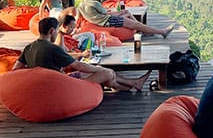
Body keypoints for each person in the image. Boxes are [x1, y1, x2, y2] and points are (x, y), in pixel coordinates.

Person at [13, 17, 150, 92]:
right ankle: (133, 84)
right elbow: (78, 66)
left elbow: (15, 70)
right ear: (51, 31)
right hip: (60, 87)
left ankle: (134, 84)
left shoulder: (28, 48)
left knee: (108, 75)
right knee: (107, 73)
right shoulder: (52, 48)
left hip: (47, 83)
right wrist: (99, 69)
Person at [76, 0, 173, 38]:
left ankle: (142, 30)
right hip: (107, 21)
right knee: (134, 23)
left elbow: (79, 18)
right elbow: (107, 15)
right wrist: (118, 13)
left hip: (103, 20)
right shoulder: (94, 3)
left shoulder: (81, 5)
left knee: (126, 12)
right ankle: (162, 32)